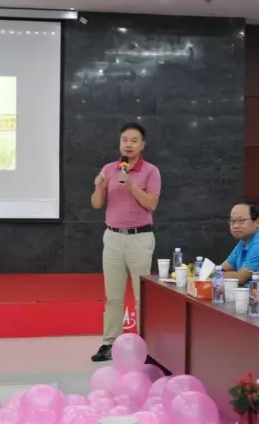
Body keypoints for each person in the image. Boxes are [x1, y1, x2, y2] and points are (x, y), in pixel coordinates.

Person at [90, 122, 161, 362]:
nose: (128, 145)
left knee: (142, 297)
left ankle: (146, 346)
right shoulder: (109, 168)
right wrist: (99, 186)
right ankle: (109, 343)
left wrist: (131, 185)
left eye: (133, 140)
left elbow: (151, 204)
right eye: (124, 140)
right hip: (112, 238)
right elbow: (96, 204)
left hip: (139, 238)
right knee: (113, 296)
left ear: (143, 145)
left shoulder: (151, 171)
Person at [222, 203, 259, 286]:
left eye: (241, 220)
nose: (235, 226)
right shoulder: (244, 241)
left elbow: (240, 279)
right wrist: (213, 274)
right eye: (232, 221)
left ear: (256, 222)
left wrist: (214, 275)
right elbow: (223, 268)